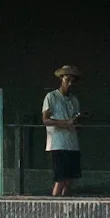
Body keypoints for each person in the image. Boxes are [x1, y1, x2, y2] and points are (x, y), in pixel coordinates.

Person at [40, 65, 84, 196]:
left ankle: (66, 204)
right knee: (60, 178)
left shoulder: (74, 100)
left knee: (70, 179)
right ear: (62, 79)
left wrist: (77, 122)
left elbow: (75, 119)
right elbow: (45, 120)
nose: (70, 83)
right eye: (67, 79)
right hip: (58, 143)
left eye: (72, 80)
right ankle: (54, 204)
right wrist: (66, 123)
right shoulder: (52, 97)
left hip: (72, 143)